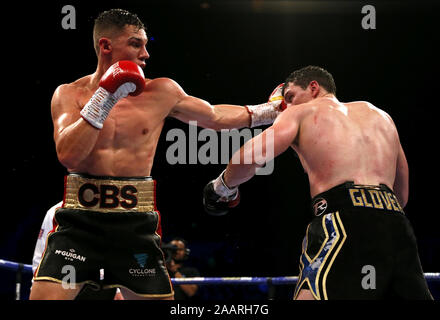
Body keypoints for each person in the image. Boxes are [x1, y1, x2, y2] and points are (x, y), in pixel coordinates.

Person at [30, 8, 282, 300]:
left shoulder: (161, 92)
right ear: (106, 46)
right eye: (136, 43)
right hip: (79, 223)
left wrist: (272, 110)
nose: (146, 54)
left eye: (146, 44)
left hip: (135, 225)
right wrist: (105, 97)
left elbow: (215, 116)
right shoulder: (68, 94)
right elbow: (69, 155)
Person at [203, 65, 433, 300]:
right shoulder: (380, 115)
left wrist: (222, 187)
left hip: (343, 222)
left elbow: (251, 157)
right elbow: (402, 195)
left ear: (313, 87)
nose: (286, 107)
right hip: (398, 227)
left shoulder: (301, 112)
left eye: (290, 97)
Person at [32, 202, 124, 300]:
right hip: (68, 278)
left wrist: (118, 290)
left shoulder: (119, 210)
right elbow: (41, 258)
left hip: (105, 284)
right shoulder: (56, 211)